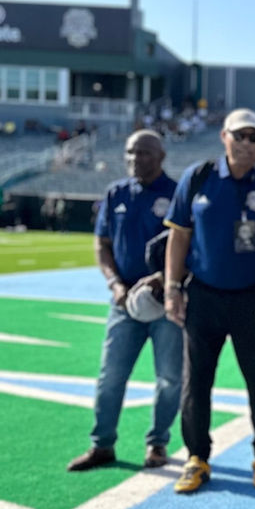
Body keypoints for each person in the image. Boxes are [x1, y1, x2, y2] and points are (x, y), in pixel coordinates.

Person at [163, 109, 255, 495]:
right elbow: (179, 237)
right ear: (223, 136)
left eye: (253, 136)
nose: (245, 143)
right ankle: (197, 457)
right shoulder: (199, 177)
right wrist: (173, 288)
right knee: (196, 381)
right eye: (238, 135)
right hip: (203, 295)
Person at [67, 131, 182, 472]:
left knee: (170, 377)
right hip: (123, 301)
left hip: (165, 301)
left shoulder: (177, 195)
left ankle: (158, 443)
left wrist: (164, 281)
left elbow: (190, 247)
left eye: (144, 153)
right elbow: (102, 245)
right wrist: (115, 283)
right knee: (110, 375)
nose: (136, 159)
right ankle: (102, 444)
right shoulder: (115, 192)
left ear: (161, 156)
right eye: (131, 153)